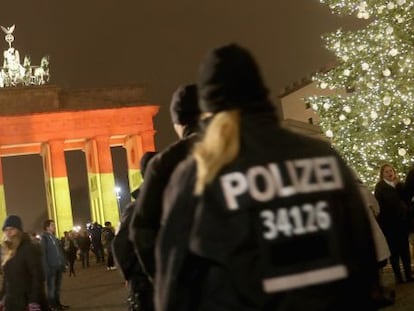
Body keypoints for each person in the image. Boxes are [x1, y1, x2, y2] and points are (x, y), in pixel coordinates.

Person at [155, 44, 379, 311]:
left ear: (209, 107)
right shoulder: (322, 157)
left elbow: (174, 280)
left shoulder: (199, 174)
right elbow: (363, 252)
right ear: (261, 92)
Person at [130, 83, 201, 280]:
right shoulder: (245, 149)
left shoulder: (166, 163)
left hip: (191, 279)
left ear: (178, 122)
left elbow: (142, 232)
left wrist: (165, 282)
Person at [112, 151, 158, 311]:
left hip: (146, 286)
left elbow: (120, 247)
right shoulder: (181, 202)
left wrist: (133, 277)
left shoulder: (134, 209)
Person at [375, 163, 413, 284]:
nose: (389, 173)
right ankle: (398, 276)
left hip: (402, 222)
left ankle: (408, 274)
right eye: (386, 171)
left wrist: (399, 187)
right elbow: (381, 206)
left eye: (391, 170)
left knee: (405, 250)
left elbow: (406, 199)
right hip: (389, 224)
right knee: (394, 251)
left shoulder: (399, 185)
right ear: (382, 174)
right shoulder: (380, 187)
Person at [0, 215, 47, 310]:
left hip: (27, 302)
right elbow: (7, 279)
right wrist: (1, 298)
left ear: (19, 230)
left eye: (12, 229)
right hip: (12, 302)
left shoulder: (29, 249)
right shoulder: (8, 251)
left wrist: (34, 301)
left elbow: (38, 276)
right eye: (6, 230)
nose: (8, 233)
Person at [41, 219, 69, 310]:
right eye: (52, 225)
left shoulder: (54, 237)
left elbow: (59, 251)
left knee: (57, 288)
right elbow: (43, 255)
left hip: (58, 266)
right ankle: (52, 306)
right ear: (47, 227)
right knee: (51, 289)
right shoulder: (44, 238)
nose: (54, 227)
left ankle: (58, 304)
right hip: (51, 268)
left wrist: (64, 262)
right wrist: (46, 269)